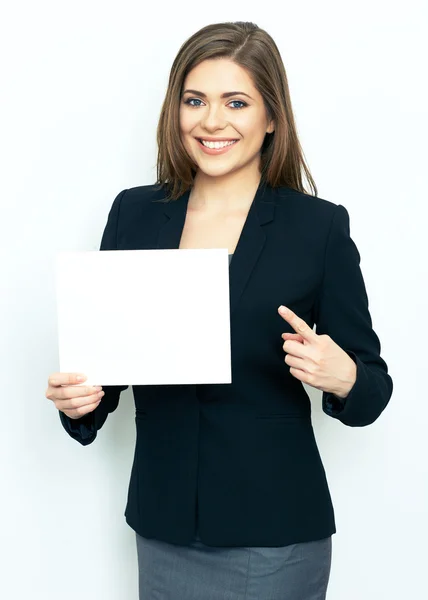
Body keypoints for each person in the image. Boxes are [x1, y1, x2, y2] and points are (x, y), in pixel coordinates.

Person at [45, 21, 393, 600]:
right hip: (164, 526)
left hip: (275, 531)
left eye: (236, 102)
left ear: (271, 116)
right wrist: (81, 401)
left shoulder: (318, 227)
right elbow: (108, 365)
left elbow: (373, 391)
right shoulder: (134, 214)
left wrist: (346, 377)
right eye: (194, 100)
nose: (211, 121)